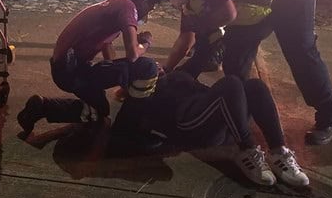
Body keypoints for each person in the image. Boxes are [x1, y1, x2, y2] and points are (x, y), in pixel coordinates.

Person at [155, 0, 332, 145]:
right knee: (235, 63)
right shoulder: (190, 0)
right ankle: (239, 114)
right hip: (256, 8)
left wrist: (204, 25)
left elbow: (228, 15)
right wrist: (168, 73)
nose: (172, 1)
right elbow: (190, 40)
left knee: (300, 52)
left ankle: (330, 115)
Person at [112, 67, 309, 187]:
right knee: (231, 83)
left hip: (217, 114)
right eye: (149, 68)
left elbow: (199, 57)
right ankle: (247, 150)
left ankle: (278, 152)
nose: (155, 66)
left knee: (254, 85)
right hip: (190, 124)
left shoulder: (177, 74)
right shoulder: (144, 97)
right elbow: (124, 129)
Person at [17, 0, 159, 137]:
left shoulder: (115, 6)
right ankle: (129, 134)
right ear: (143, 0)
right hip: (71, 69)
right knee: (147, 66)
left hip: (68, 67)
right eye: (151, 6)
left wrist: (120, 76)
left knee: (99, 111)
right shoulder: (128, 7)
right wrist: (145, 43)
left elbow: (107, 49)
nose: (147, 14)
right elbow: (133, 55)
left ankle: (42, 107)